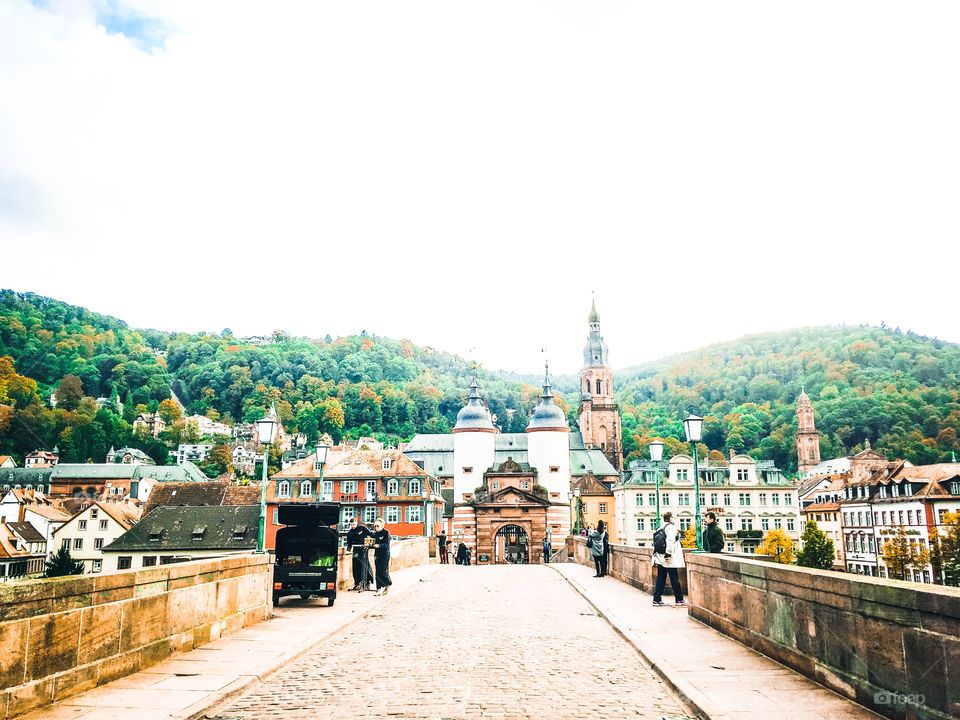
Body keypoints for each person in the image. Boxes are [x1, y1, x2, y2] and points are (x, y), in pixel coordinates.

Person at [652, 512, 685, 606]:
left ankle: (656, 599)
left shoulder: (660, 527)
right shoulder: (671, 528)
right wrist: (668, 553)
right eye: (673, 517)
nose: (674, 519)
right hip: (668, 558)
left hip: (660, 557)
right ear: (670, 518)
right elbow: (670, 540)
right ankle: (679, 599)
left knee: (661, 578)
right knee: (674, 578)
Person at [346, 517, 373, 591]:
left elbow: (371, 534)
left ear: (356, 523)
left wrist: (371, 542)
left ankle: (367, 583)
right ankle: (357, 583)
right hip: (356, 551)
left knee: (365, 565)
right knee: (356, 566)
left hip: (364, 549)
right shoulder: (350, 533)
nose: (352, 526)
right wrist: (347, 550)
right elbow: (349, 544)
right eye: (351, 524)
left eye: (354, 524)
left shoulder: (362, 528)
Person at [372, 518, 392, 596]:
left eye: (377, 526)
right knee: (377, 572)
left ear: (382, 526)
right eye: (375, 526)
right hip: (377, 554)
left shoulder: (386, 533)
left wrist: (379, 545)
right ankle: (378, 588)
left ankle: (388, 584)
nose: (376, 527)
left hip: (385, 554)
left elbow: (387, 545)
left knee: (383, 571)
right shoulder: (375, 534)